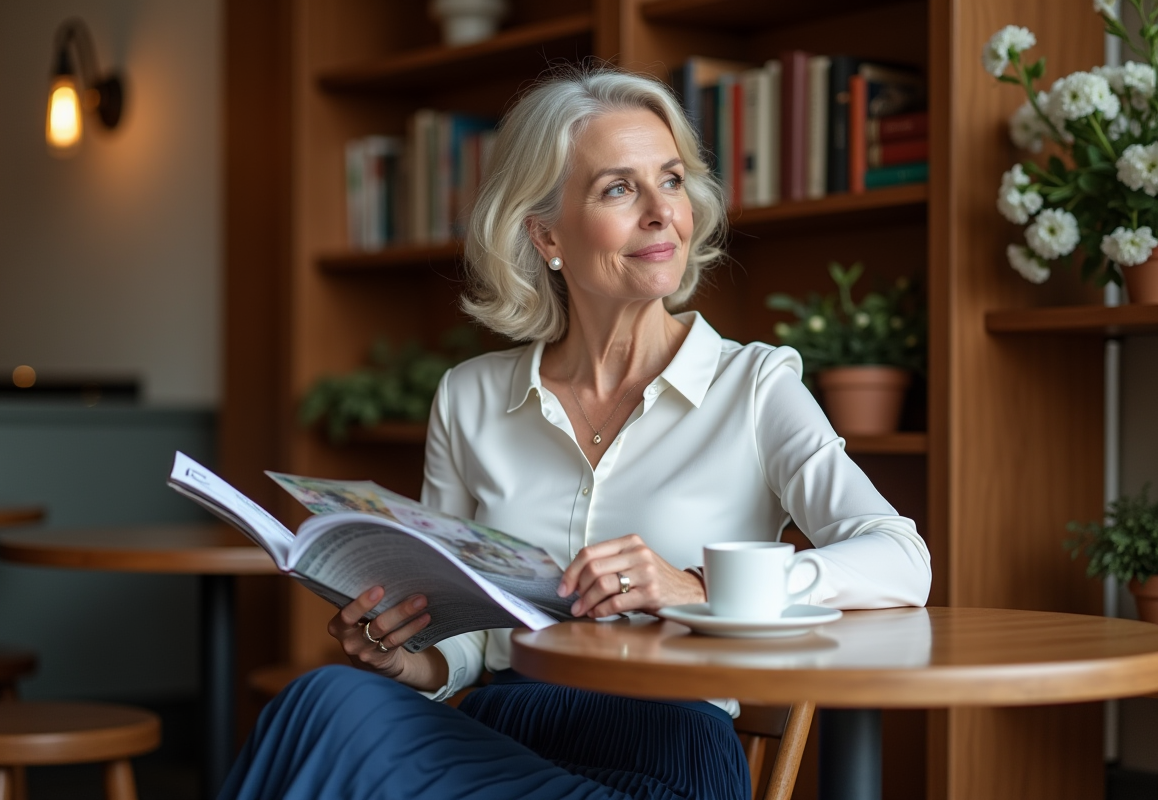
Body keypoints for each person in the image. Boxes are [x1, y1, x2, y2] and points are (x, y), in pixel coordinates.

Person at [220, 66, 931, 800]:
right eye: (618, 189)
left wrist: (699, 589)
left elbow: (902, 558)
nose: (662, 212)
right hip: (498, 736)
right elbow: (462, 640)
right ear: (546, 235)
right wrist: (407, 659)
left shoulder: (754, 387)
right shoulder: (471, 397)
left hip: (665, 751)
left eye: (673, 180)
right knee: (321, 700)